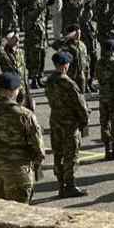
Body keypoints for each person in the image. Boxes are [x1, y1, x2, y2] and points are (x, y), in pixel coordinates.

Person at [0, 72, 45, 203]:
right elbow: (38, 148)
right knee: (18, 214)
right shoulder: (24, 114)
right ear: (14, 90)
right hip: (16, 170)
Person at [44, 51, 91, 198]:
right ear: (65, 66)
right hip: (69, 123)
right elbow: (80, 104)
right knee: (71, 154)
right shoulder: (69, 83)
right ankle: (69, 185)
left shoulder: (50, 81)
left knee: (58, 153)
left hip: (56, 120)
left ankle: (60, 185)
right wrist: (84, 120)